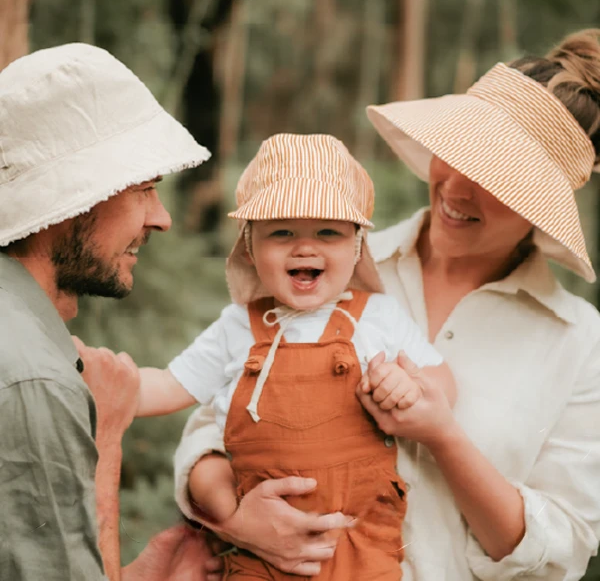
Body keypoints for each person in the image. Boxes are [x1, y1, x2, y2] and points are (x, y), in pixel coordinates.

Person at [171, 29, 600, 580]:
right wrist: (236, 520)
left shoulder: (577, 341)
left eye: (499, 180)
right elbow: (211, 426)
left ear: (544, 207)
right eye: (458, 153)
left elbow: (562, 542)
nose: (457, 188)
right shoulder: (325, 265)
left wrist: (443, 435)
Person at [106, 133, 454, 580]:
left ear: (356, 247)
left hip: (359, 548)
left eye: (328, 232)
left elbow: (444, 386)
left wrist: (408, 387)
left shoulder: (378, 318)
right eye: (282, 232)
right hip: (261, 555)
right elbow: (170, 386)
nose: (304, 247)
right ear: (250, 248)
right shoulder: (238, 328)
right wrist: (102, 383)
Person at [0, 42, 222, 581]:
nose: (162, 218)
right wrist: (108, 439)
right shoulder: (36, 381)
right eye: (145, 189)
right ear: (76, 197)